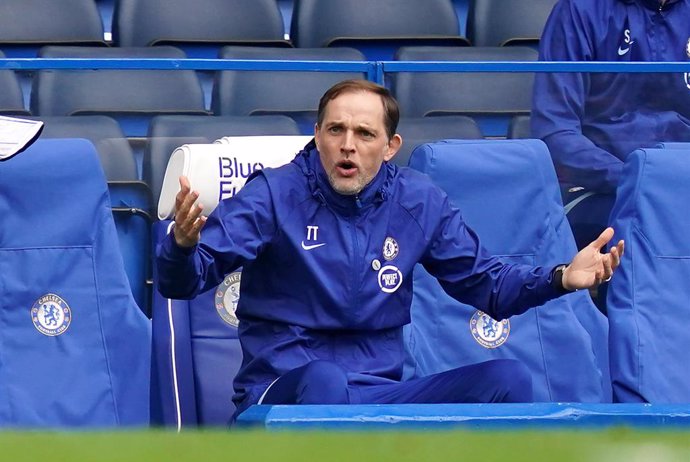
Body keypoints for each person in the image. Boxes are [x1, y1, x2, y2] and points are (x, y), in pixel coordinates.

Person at [156, 79, 624, 423]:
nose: (347, 145)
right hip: (280, 398)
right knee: (324, 380)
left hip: (379, 397)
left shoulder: (418, 202)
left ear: (390, 146)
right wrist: (181, 245)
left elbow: (490, 287)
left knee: (510, 382)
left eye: (364, 134)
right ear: (316, 135)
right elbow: (184, 281)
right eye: (335, 130)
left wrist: (562, 276)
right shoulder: (274, 194)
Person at [532, 0, 690, 251]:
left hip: (682, 185)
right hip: (598, 191)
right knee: (653, 223)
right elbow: (555, 132)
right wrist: (635, 178)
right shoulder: (580, 9)